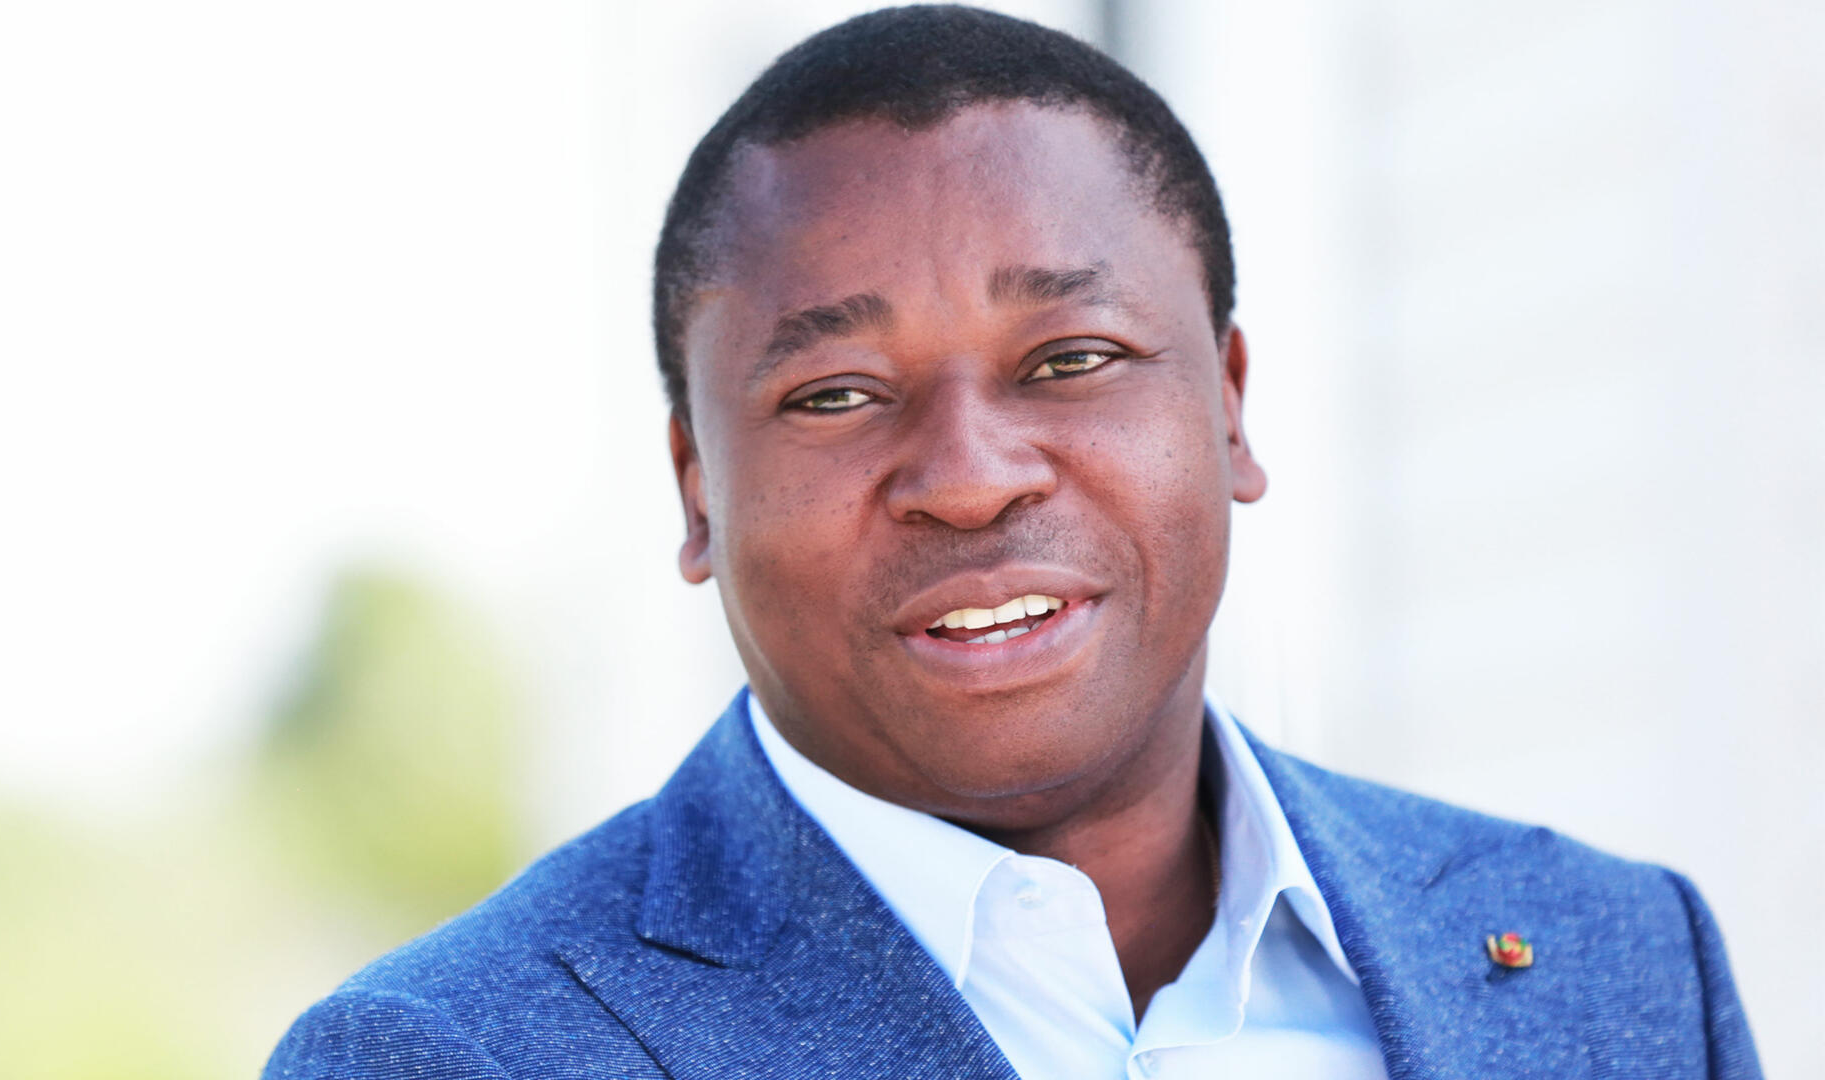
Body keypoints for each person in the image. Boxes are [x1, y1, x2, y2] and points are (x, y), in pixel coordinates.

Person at [264, 7, 1762, 1078]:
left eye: (1072, 359)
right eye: (836, 393)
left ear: (1229, 406)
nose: (971, 480)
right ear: (698, 488)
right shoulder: (451, 1054)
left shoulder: (1617, 961)